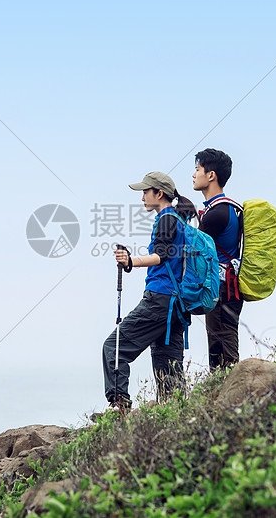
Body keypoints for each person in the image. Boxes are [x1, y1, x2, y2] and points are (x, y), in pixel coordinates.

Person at [101, 171, 197, 411]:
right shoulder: (178, 220)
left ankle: (119, 408)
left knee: (114, 347)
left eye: (146, 191)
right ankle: (175, 416)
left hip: (160, 300)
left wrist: (131, 261)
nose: (142, 196)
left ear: (159, 193)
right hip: (177, 306)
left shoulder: (166, 219)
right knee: (168, 368)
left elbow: (161, 256)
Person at [192, 148, 244, 371]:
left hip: (222, 288)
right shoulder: (227, 209)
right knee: (220, 339)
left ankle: (232, 391)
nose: (194, 175)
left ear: (211, 175)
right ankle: (225, 388)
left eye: (197, 169)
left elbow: (192, 248)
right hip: (226, 287)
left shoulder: (217, 213)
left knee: (222, 342)